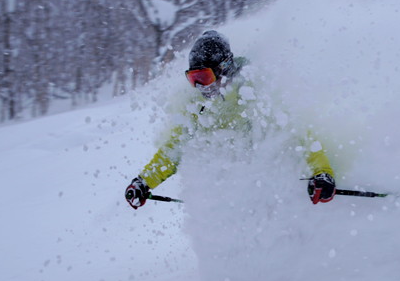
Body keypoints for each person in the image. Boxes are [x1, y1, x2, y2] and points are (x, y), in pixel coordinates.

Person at [124, 30, 336, 209]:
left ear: (224, 68)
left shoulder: (257, 89)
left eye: (204, 77)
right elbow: (173, 150)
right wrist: (143, 182)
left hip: (272, 192)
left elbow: (298, 134)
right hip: (232, 197)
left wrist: (322, 173)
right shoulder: (196, 106)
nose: (200, 87)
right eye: (193, 79)